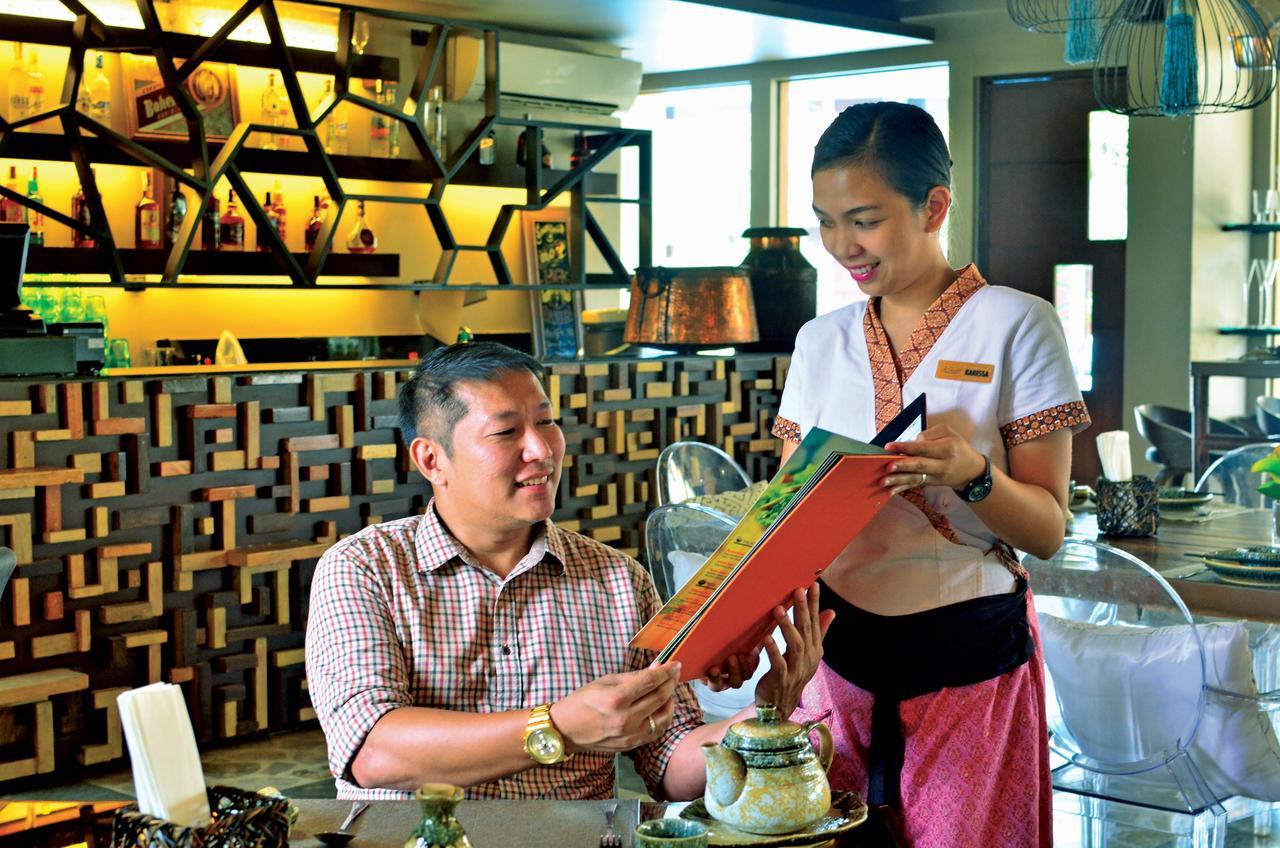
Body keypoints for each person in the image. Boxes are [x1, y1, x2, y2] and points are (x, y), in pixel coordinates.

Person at [305, 341, 832, 800]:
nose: (541, 451)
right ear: (431, 459)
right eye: (506, 431)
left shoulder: (618, 581)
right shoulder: (364, 570)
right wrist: (561, 726)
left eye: (546, 422)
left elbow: (671, 765)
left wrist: (763, 715)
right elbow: (375, 754)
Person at [771, 102, 1089, 846]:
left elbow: (1047, 531)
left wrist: (975, 473)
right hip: (836, 659)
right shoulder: (821, 340)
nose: (842, 245)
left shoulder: (1017, 322)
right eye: (825, 221)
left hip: (964, 657)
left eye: (865, 219)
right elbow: (784, 515)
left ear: (934, 207)